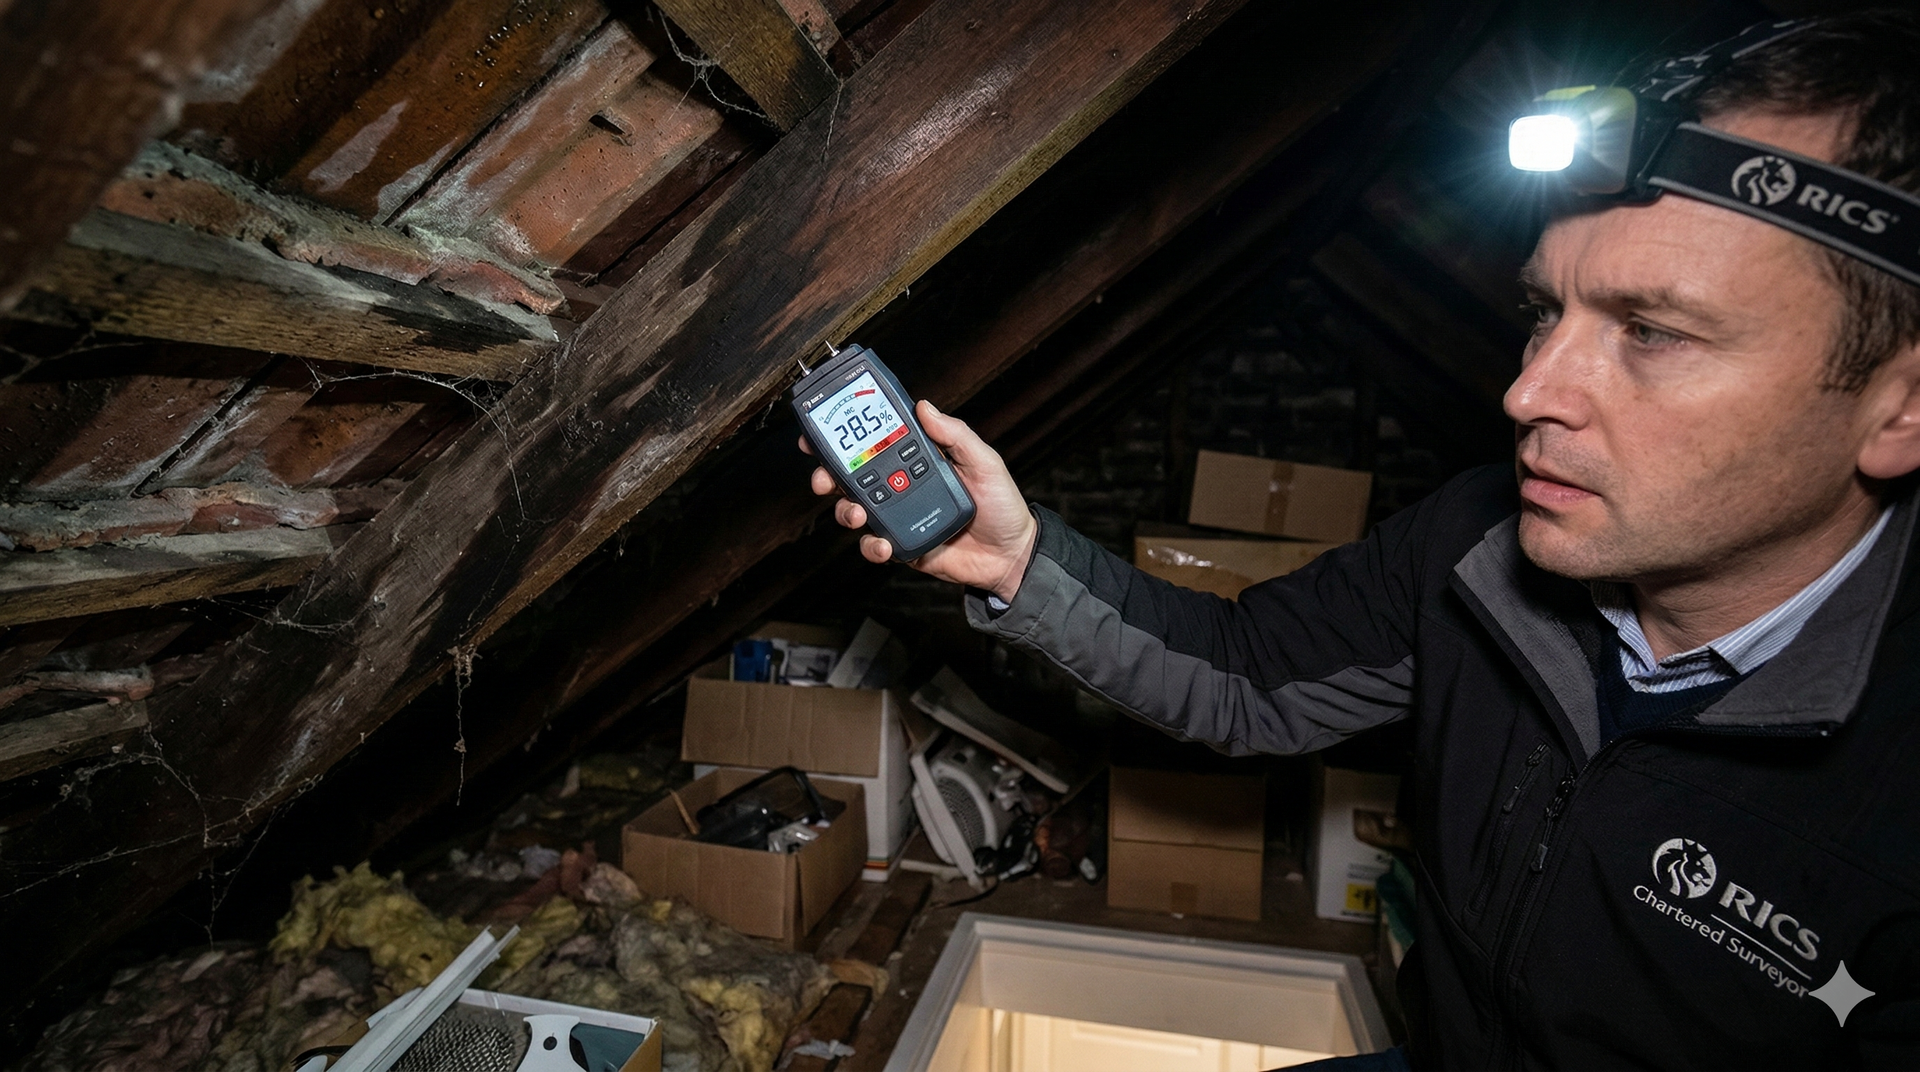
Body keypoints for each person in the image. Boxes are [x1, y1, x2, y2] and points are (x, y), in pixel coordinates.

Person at [803, 11, 1920, 1068]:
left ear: (1901, 406)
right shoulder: (1478, 544)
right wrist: (1018, 563)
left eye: (1652, 331)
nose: (1530, 391)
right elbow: (1245, 677)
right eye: (1544, 312)